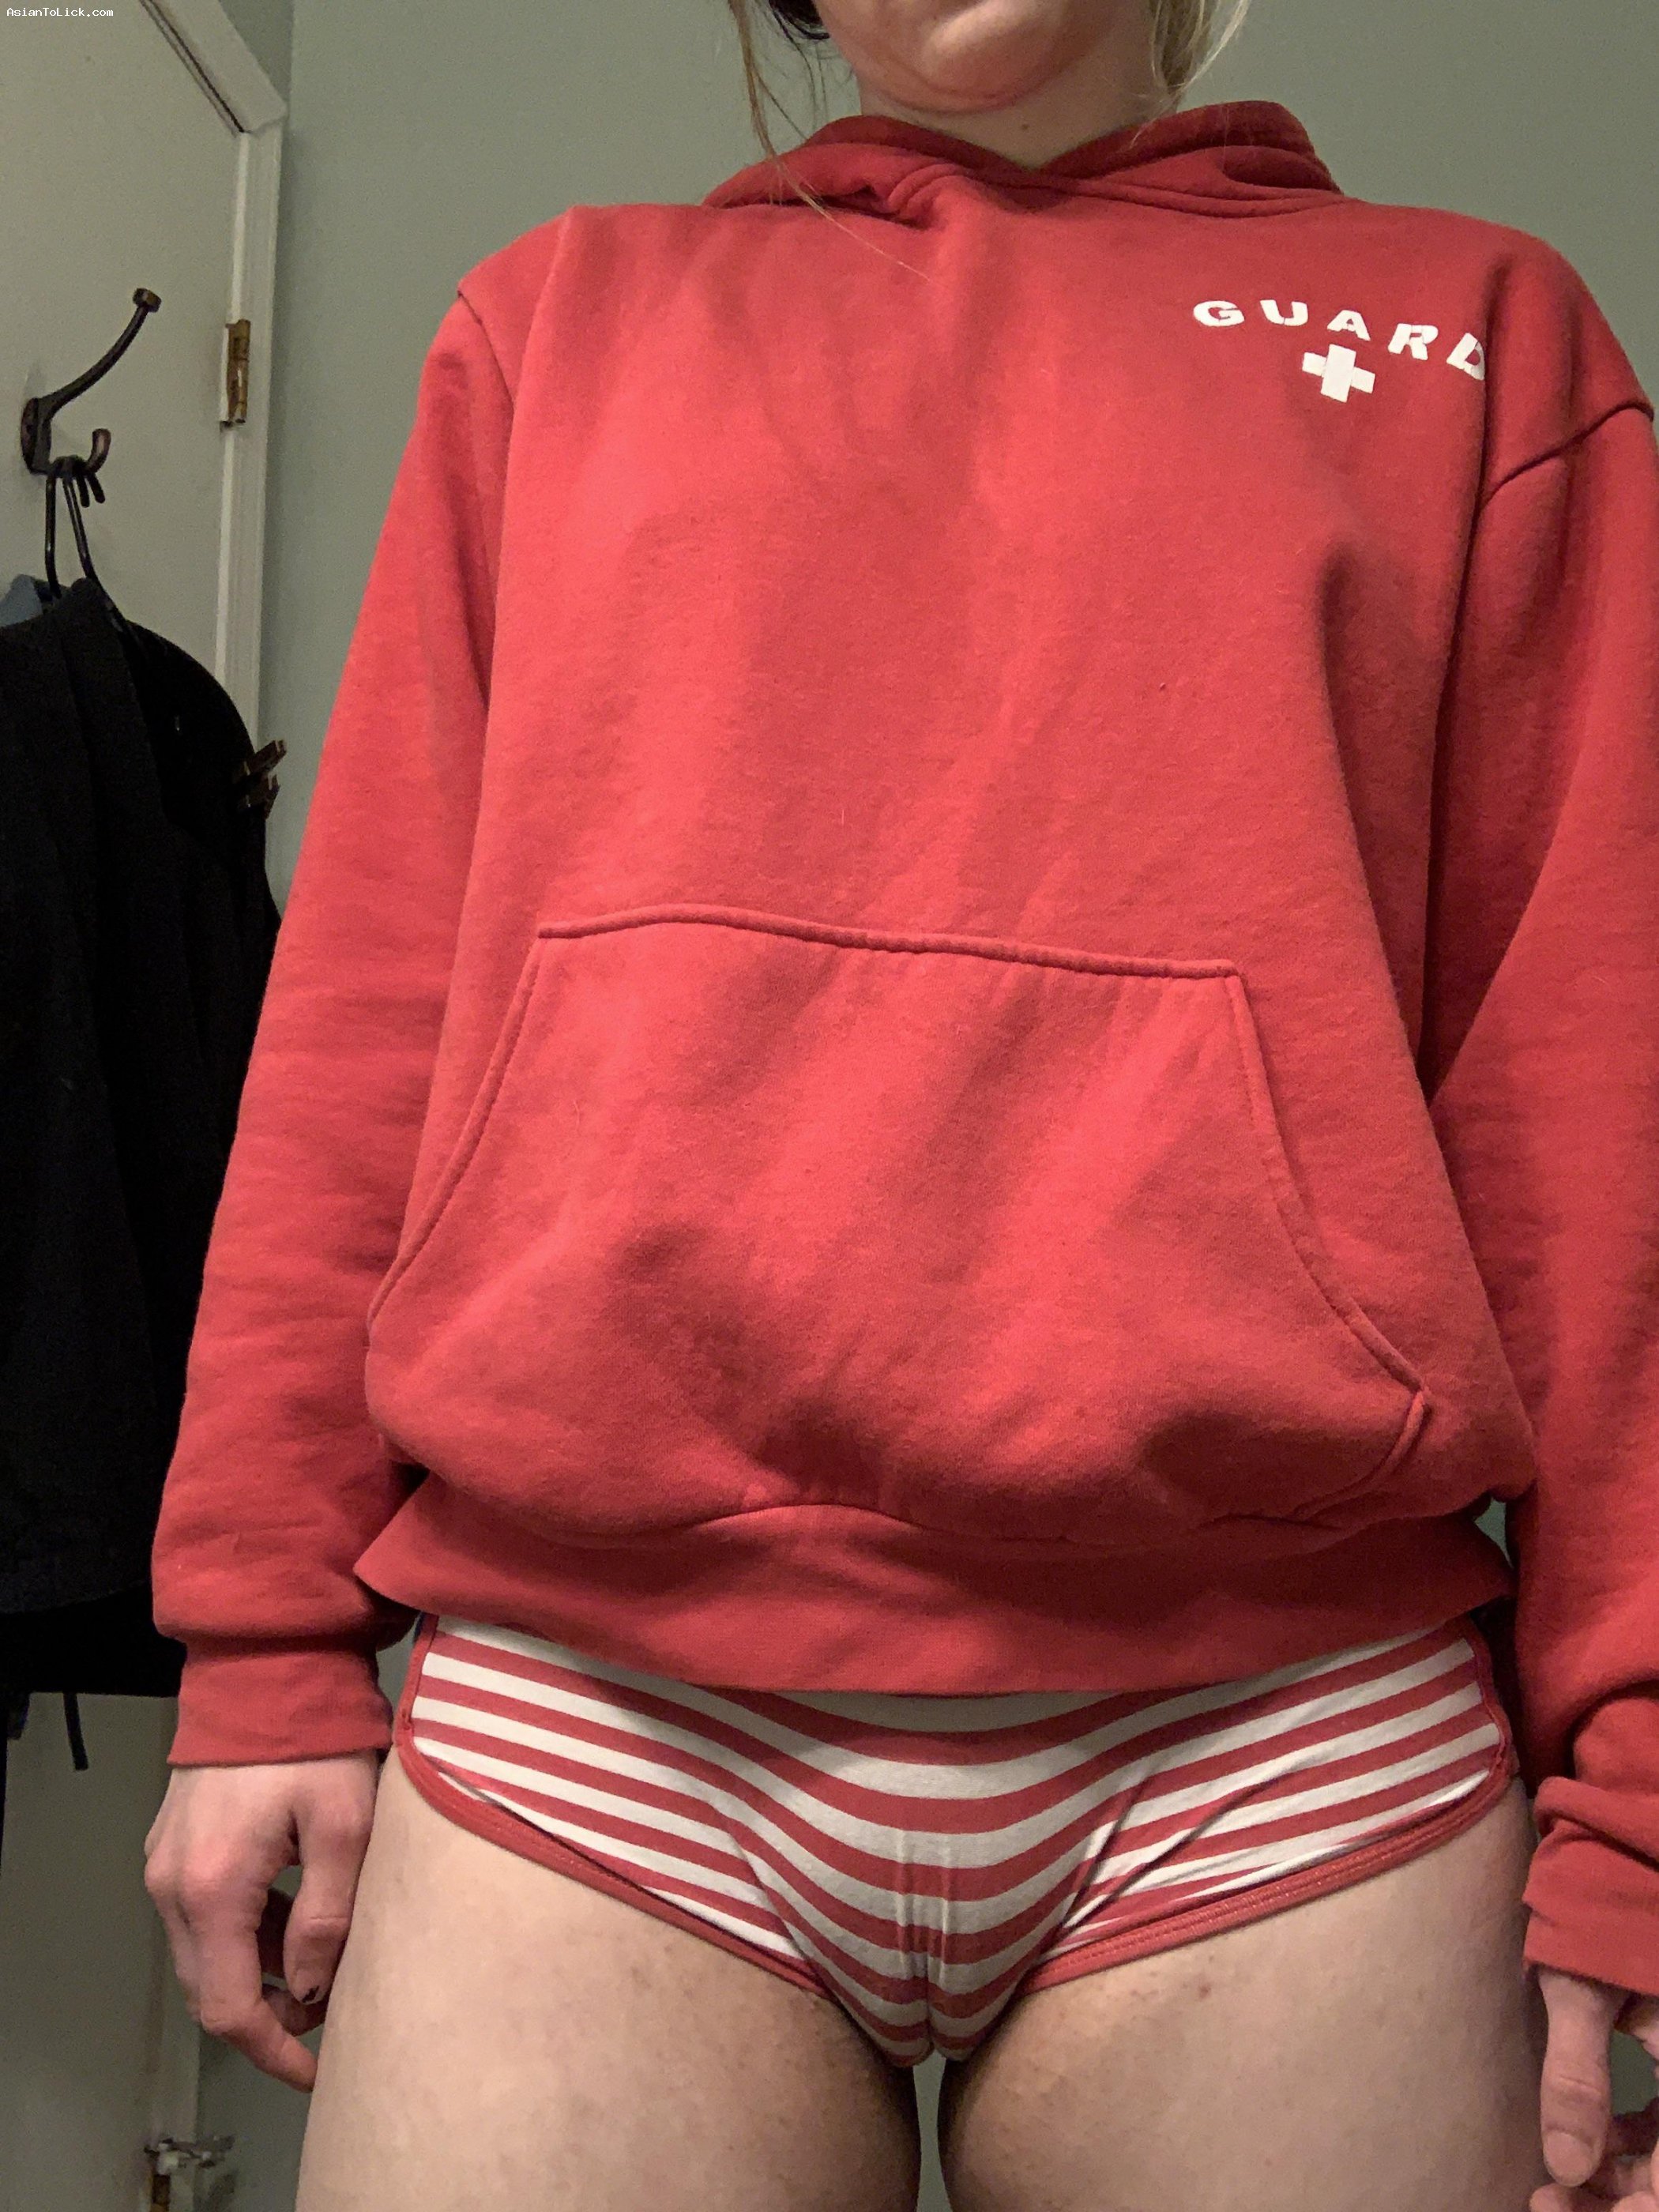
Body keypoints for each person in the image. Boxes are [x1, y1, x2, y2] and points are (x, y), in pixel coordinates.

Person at [140, 2, 1659, 2206]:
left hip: (1289, 1744)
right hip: (595, 1730)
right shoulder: (557, 324)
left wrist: (1637, 1802)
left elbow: (1594, 1116)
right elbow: (369, 1024)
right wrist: (264, 1640)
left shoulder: (1481, 340)